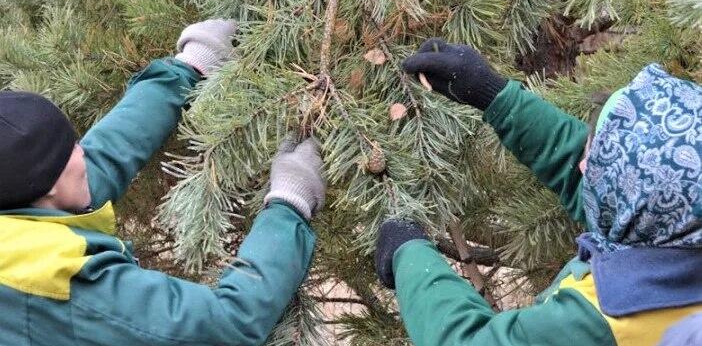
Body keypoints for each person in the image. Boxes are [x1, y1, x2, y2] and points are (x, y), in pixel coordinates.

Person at [0, 19, 325, 346]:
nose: (82, 153)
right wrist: (289, 202)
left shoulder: (20, 198)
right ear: (47, 186)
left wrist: (190, 66)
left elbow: (101, 159)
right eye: (71, 149)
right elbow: (226, 325)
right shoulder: (51, 278)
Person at [374, 38, 702, 346]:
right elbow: (595, 174)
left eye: (595, 160)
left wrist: (409, 255)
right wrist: (493, 94)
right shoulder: (678, 225)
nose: (583, 167)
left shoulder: (608, 319)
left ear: (636, 203)